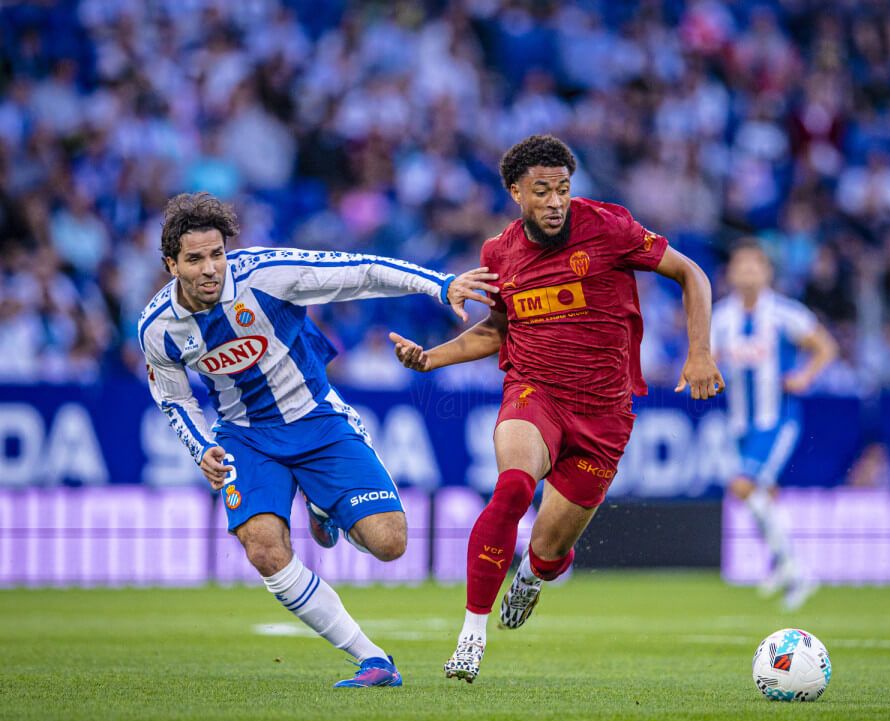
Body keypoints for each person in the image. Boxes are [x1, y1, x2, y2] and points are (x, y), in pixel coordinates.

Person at [390, 135, 724, 682]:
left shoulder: (610, 228)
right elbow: (500, 329)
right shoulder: (499, 253)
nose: (554, 201)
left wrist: (700, 351)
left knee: (548, 551)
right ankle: (471, 638)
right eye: (541, 191)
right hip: (533, 392)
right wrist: (431, 359)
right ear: (516, 192)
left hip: (604, 415)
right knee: (514, 486)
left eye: (563, 190)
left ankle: (534, 574)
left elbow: (693, 274)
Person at [138, 192, 497, 687]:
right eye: (194, 259)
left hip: (319, 421)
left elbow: (363, 270)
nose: (209, 269)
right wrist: (202, 448)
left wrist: (441, 285)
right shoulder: (157, 329)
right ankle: (373, 659)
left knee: (390, 544)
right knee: (264, 550)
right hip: (245, 438)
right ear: (170, 264)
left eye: (216, 254)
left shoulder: (268, 275)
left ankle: (325, 509)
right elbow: (175, 398)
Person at [710, 239, 838, 609]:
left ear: (767, 272)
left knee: (743, 485)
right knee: (763, 496)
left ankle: (796, 569)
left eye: (755, 265)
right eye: (741, 265)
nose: (748, 271)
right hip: (740, 422)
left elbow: (825, 347)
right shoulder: (721, 318)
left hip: (776, 419)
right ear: (731, 272)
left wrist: (805, 376)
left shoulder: (785, 313)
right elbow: (710, 358)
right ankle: (785, 564)